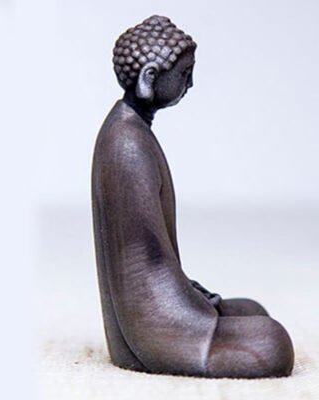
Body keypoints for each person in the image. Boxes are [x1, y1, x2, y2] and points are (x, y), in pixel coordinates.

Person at [91, 15, 294, 377]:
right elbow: (146, 269)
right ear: (148, 79)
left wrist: (195, 293)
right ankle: (186, 344)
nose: (191, 83)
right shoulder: (127, 144)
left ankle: (206, 316)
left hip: (171, 299)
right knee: (271, 342)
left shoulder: (133, 130)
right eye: (184, 75)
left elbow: (158, 256)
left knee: (253, 311)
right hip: (153, 327)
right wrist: (195, 310)